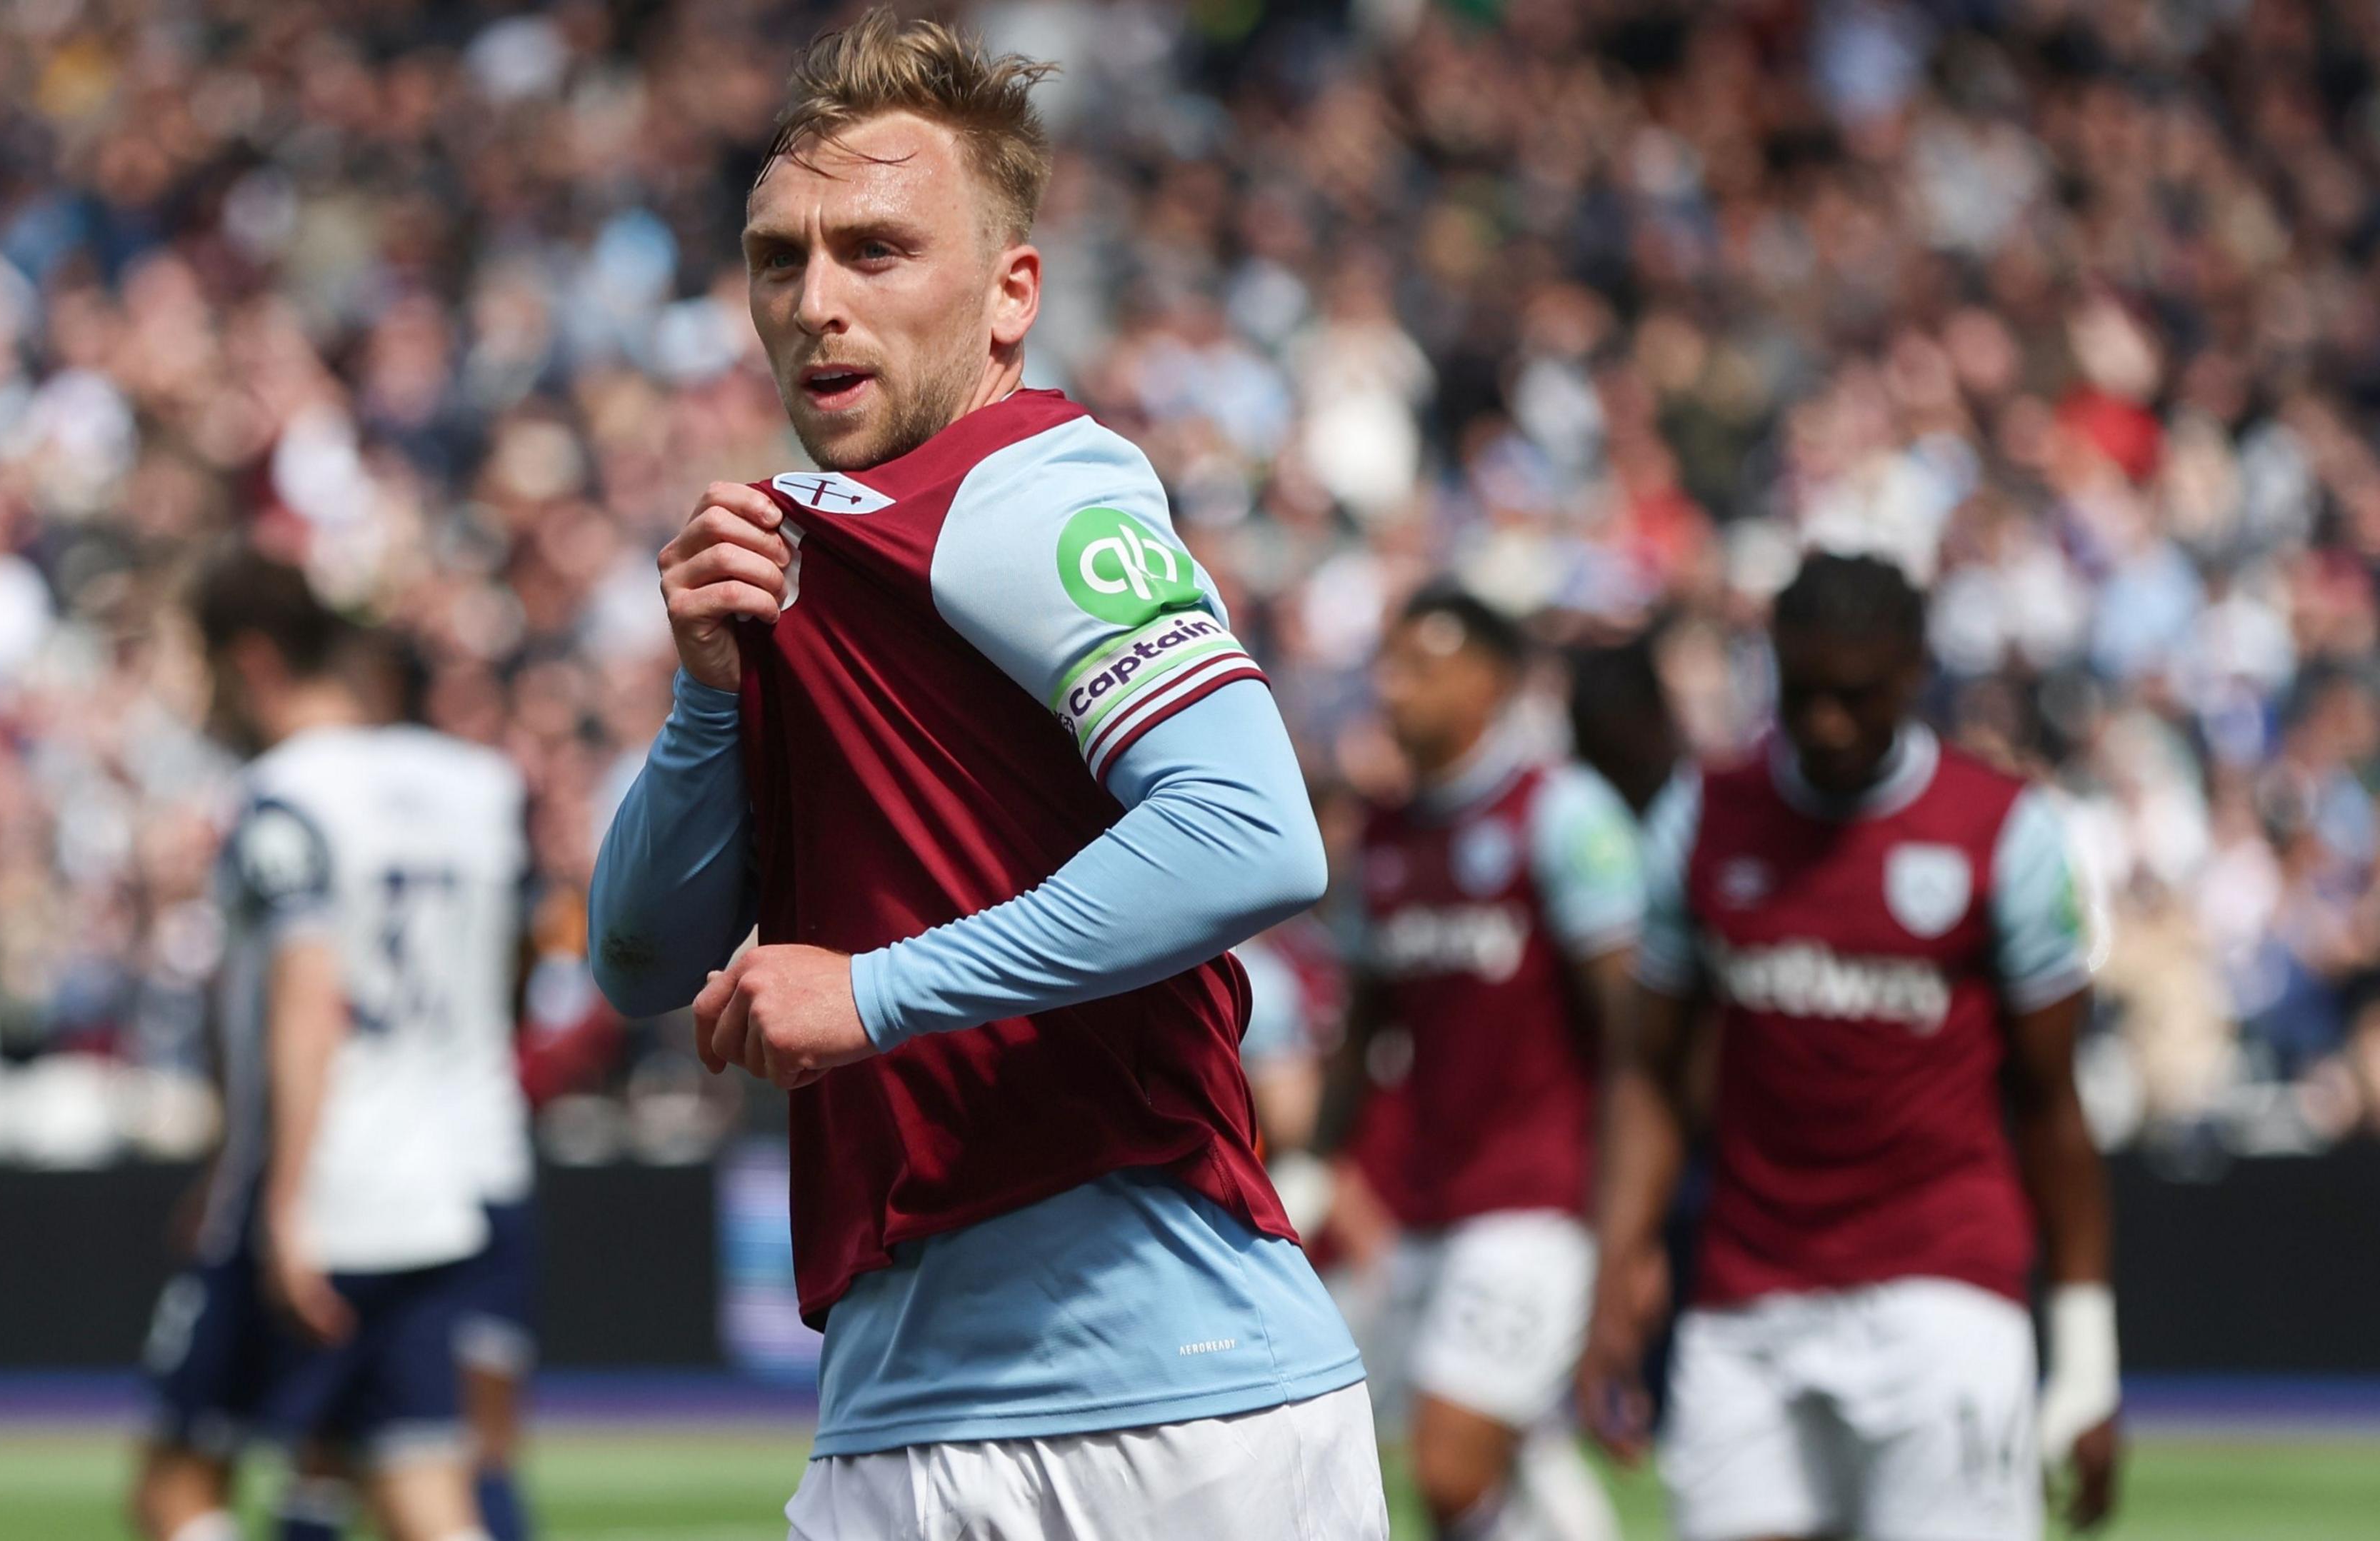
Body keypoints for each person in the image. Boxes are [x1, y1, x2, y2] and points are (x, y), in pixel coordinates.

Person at [586, 12, 1385, 1539]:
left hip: (1172, 1397)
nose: (816, 303)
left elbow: (1255, 833)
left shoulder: (1031, 494)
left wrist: (873, 992)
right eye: (779, 258)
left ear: (1010, 292)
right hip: (894, 1397)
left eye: (878, 251)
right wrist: (705, 699)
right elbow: (639, 961)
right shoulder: (809, 550)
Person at [1580, 551, 2124, 1541]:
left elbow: (2053, 1106)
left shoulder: (2004, 832)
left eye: (1856, 695)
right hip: (1747, 1295)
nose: (1827, 721)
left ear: (1916, 673)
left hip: (1943, 1292)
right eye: (1805, 692)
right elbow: (1649, 1074)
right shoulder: (1701, 819)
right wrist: (1616, 1274)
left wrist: (2087, 1357)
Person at [133, 551, 529, 1541]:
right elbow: (519, 966)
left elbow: (310, 1000)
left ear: (252, 660)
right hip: (450, 1180)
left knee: (177, 1486)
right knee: (423, 1487)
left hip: (328, 1176)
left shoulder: (282, 798)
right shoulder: (470, 784)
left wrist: (277, 1201)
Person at [1346, 588, 1640, 1541]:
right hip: (1425, 1202)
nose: (1393, 689)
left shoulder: (1563, 815)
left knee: (1449, 1456)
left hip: (1539, 1200)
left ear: (1491, 684)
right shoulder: (1381, 839)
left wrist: (1632, 1235)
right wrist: (1315, 1166)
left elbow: (1634, 1037)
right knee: (1470, 1465)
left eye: (1421, 668)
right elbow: (1364, 1024)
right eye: (1387, 666)